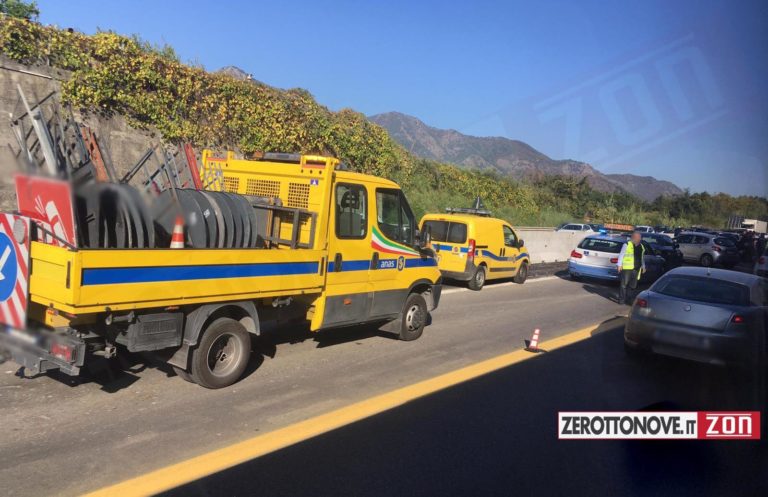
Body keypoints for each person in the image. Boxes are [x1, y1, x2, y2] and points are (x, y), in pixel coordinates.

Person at [617, 232, 645, 305]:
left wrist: (643, 266)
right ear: (633, 237)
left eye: (639, 237)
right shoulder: (627, 244)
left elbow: (642, 258)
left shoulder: (641, 246)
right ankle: (621, 300)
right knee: (624, 285)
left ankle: (629, 299)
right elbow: (621, 255)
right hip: (627, 268)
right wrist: (619, 265)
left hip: (636, 268)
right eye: (637, 237)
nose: (638, 239)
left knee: (633, 286)